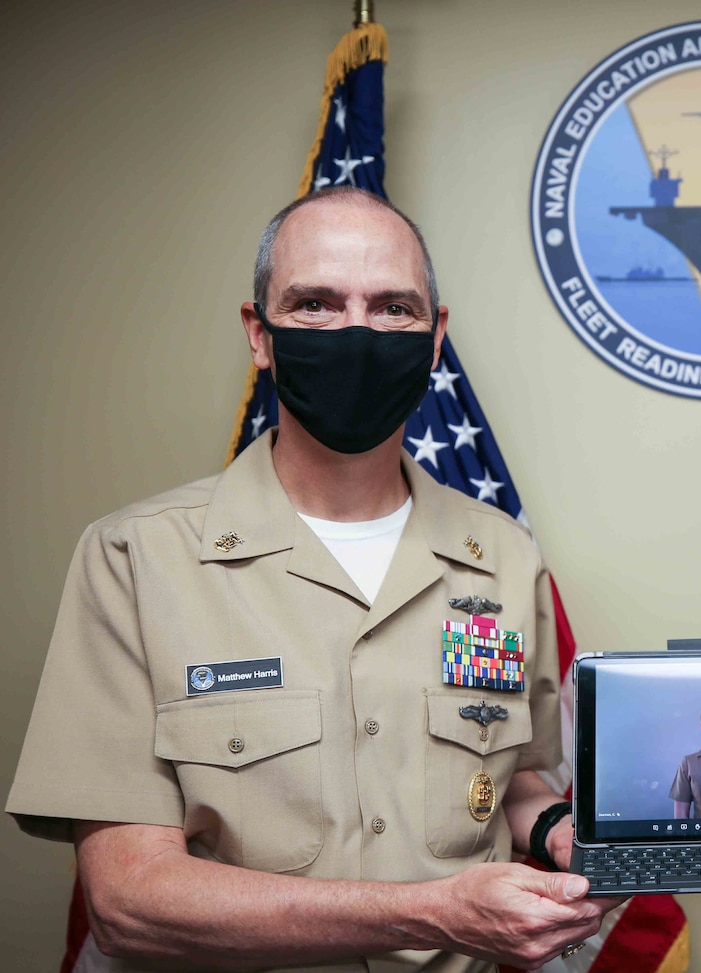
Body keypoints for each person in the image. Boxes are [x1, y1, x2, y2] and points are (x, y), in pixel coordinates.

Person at [6, 187, 618, 973]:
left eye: (393, 307)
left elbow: (516, 772)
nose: (357, 333)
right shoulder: (135, 557)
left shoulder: (503, 556)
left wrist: (556, 826)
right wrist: (433, 912)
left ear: (434, 339)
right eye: (317, 305)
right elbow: (129, 899)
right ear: (259, 335)